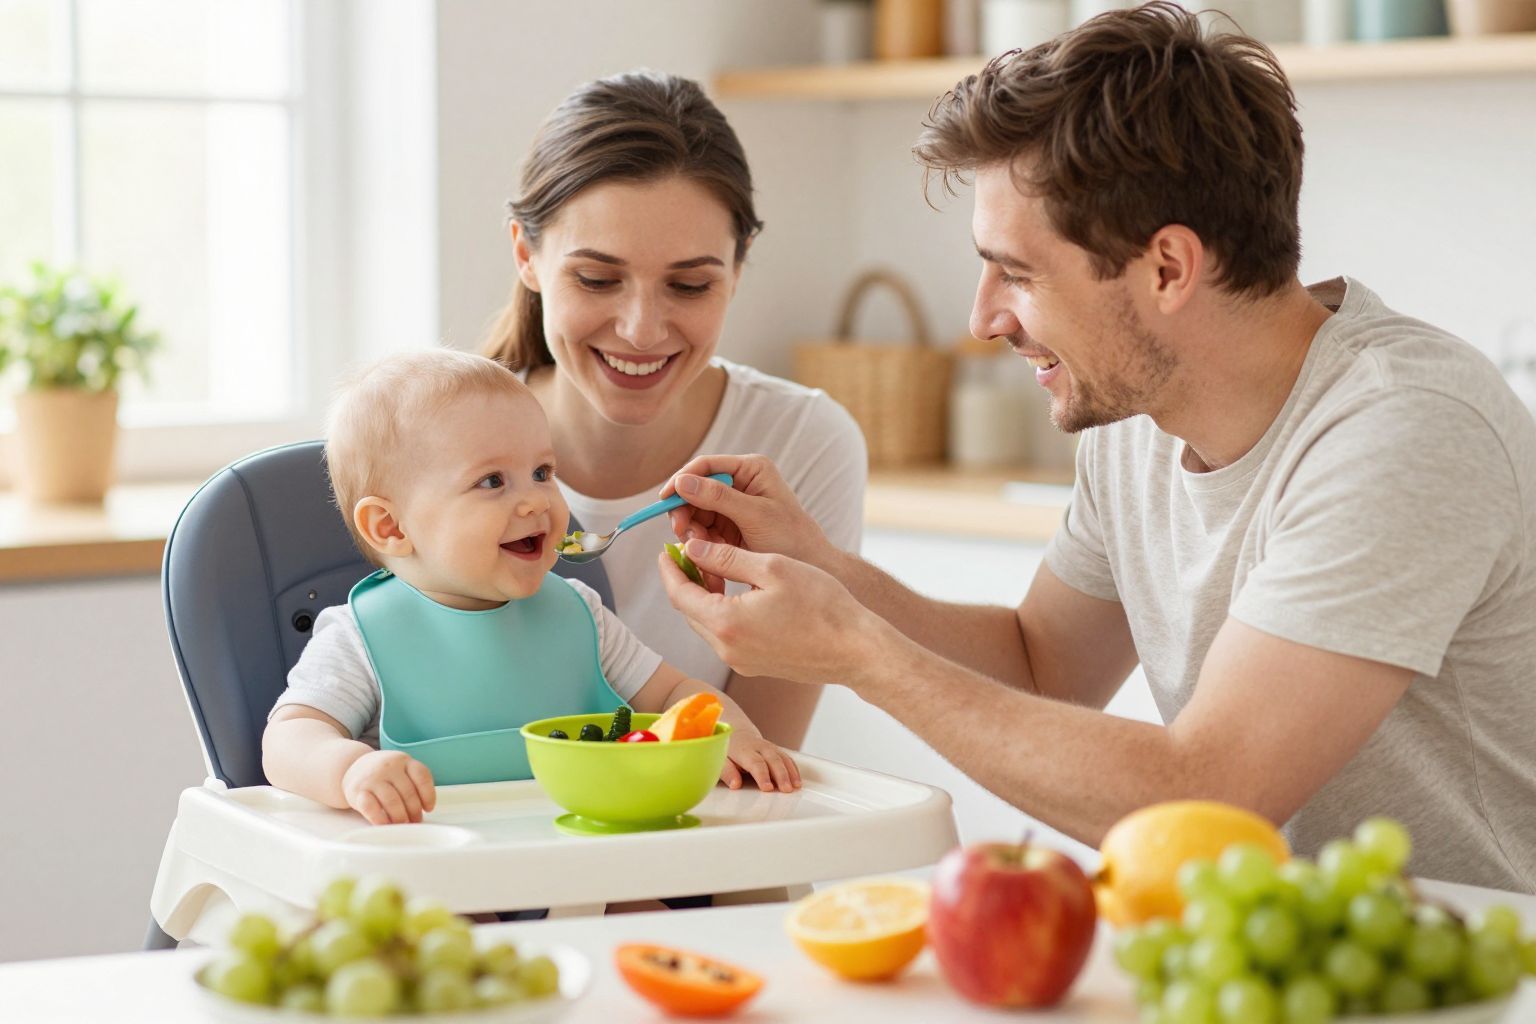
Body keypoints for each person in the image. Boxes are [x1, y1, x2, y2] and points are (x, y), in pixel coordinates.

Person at [655, 2, 1536, 892]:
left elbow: (1210, 796)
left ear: (1167, 269)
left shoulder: (1403, 428)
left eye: (1019, 273)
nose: (982, 317)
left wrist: (859, 654)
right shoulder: (1138, 413)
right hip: (1275, 954)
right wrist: (829, 574)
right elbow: (1043, 666)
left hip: (1485, 970)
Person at [481, 71, 867, 751]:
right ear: (526, 256)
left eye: (689, 285)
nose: (641, 330)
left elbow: (758, 768)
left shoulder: (801, 441)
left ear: (738, 271)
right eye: (597, 279)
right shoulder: (438, 440)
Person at [262, 349, 799, 826]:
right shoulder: (364, 635)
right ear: (392, 528)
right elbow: (287, 740)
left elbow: (677, 696)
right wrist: (353, 770)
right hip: (442, 880)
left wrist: (737, 735)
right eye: (492, 481)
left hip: (579, 862)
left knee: (646, 908)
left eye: (543, 472)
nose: (537, 501)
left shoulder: (578, 615)